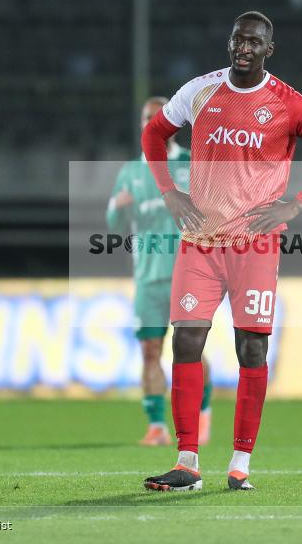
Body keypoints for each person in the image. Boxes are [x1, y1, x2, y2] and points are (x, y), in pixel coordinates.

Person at [141, 11, 302, 491]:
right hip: (200, 241)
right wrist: (169, 192)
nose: (244, 47)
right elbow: (154, 134)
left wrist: (296, 205)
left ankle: (240, 464)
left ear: (268, 50)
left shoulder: (289, 104)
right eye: (238, 38)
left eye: (254, 41)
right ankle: (188, 461)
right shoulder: (199, 91)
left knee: (251, 348)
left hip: (255, 246)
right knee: (187, 342)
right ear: (230, 41)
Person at [106, 97, 213, 447]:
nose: (151, 123)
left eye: (158, 118)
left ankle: (203, 415)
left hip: (189, 273)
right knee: (150, 351)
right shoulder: (131, 173)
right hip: (149, 279)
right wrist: (118, 210)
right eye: (146, 118)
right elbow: (113, 222)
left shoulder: (191, 163)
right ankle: (156, 427)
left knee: (192, 350)